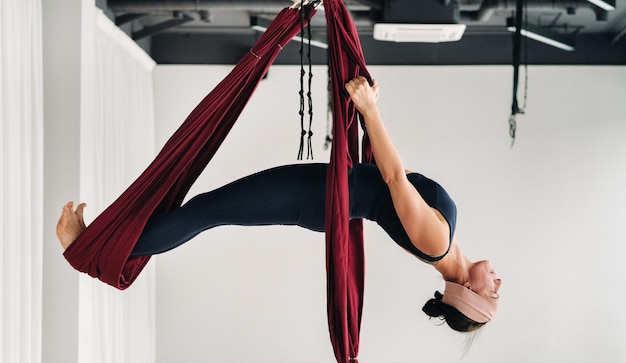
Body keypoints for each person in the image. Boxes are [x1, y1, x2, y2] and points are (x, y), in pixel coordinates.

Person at [57, 76, 501, 333]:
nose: (498, 281)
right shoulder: (443, 240)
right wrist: (365, 113)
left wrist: (370, 112)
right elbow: (381, 182)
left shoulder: (437, 242)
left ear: (466, 294)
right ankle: (103, 244)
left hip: (312, 198)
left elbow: (392, 177)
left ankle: (92, 251)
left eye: (493, 291)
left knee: (209, 210)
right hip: (323, 189)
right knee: (208, 207)